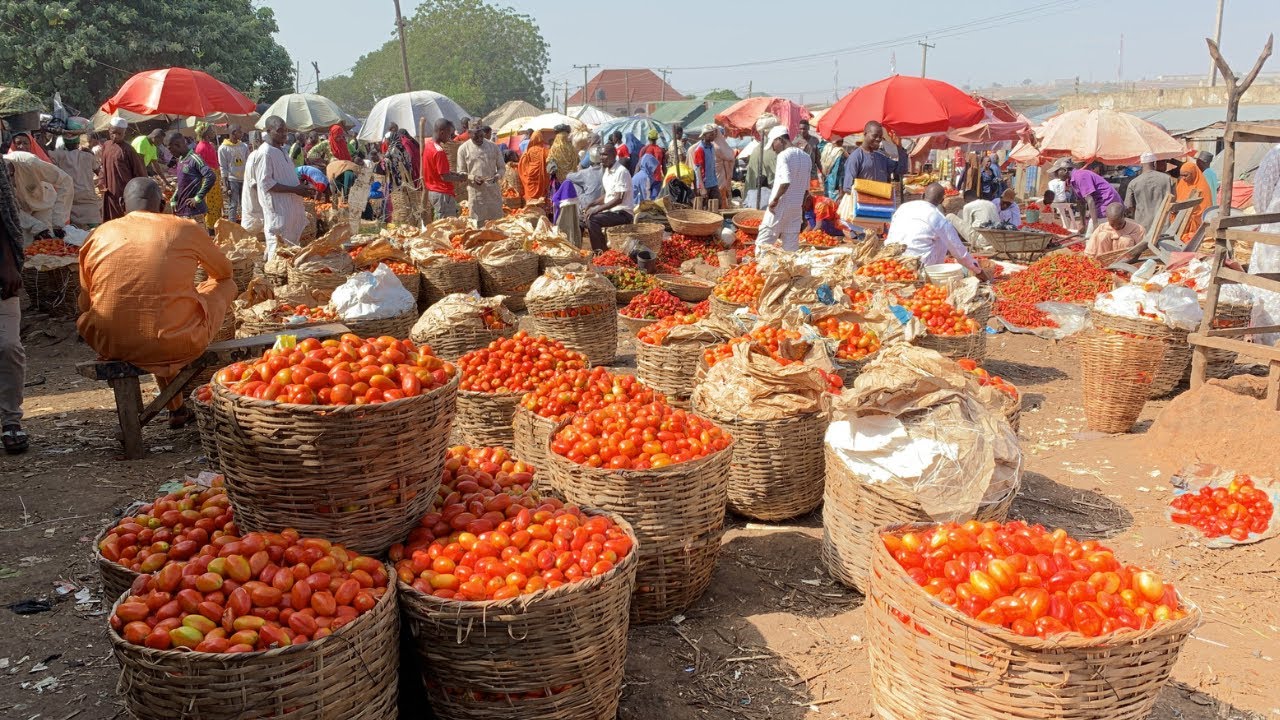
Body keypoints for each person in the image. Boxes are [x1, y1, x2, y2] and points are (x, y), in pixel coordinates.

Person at [77, 177, 237, 428]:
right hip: (177, 340)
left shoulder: (98, 234)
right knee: (224, 287)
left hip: (111, 342)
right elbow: (224, 272)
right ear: (163, 204)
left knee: (152, 313)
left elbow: (85, 303)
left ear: (121, 204)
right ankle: (176, 405)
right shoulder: (184, 227)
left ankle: (177, 409)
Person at [887, 183, 989, 279]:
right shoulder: (938, 217)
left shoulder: (903, 207)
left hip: (891, 262)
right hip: (919, 266)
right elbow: (959, 251)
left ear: (922, 196)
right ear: (942, 201)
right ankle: (932, 272)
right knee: (943, 238)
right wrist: (978, 271)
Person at [246, 116, 315, 259]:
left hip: (289, 208)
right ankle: (273, 276)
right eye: (280, 131)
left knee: (288, 247)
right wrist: (296, 190)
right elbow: (266, 183)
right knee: (276, 246)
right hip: (278, 209)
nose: (284, 134)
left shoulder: (282, 150)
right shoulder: (265, 153)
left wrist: (300, 187)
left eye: (286, 130)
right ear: (268, 131)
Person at [0, 144, 28, 453]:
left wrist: (8, 263)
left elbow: (4, 215)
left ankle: (11, 420)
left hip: (2, 271)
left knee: (8, 346)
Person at [756, 126, 812, 253]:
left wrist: (775, 200)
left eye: (773, 144)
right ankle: (789, 272)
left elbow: (785, 181)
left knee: (763, 244)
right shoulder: (806, 157)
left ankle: (762, 270)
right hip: (795, 207)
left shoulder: (783, 155)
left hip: (780, 206)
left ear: (780, 140)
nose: (773, 148)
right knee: (790, 248)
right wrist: (801, 208)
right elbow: (806, 189)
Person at [1247, 145, 1280, 345]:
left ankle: (1270, 343)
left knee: (1269, 291)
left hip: (1275, 235)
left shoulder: (1277, 152)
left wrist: (1265, 220)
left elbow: (1262, 195)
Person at [4, 150, 73, 244]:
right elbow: (10, 207)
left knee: (48, 242)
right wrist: (35, 226)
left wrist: (57, 220)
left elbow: (65, 181)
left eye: (10, 175)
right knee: (25, 246)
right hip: (22, 212)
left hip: (43, 204)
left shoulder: (29, 162)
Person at [583, 146, 634, 253]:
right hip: (611, 211)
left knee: (593, 219)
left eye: (605, 154)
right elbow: (608, 195)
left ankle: (600, 252)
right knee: (582, 219)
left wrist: (597, 209)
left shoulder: (621, 172)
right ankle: (592, 249)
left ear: (614, 156)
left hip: (623, 213)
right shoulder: (607, 171)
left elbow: (619, 199)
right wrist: (591, 204)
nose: (601, 157)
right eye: (601, 154)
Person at [840, 121, 908, 199]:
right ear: (865, 134)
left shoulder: (882, 158)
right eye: (875, 136)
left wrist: (899, 147)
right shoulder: (855, 157)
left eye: (880, 136)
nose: (878, 139)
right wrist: (871, 193)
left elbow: (902, 170)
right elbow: (848, 188)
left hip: (882, 206)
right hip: (863, 207)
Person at [47, 132, 101, 228]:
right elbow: (99, 172)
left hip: (70, 198)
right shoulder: (88, 156)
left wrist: (53, 135)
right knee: (94, 229)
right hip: (88, 198)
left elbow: (45, 151)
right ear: (78, 142)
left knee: (72, 232)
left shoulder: (58, 155)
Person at [99, 118, 147, 222]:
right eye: (113, 133)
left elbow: (140, 173)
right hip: (109, 192)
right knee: (110, 221)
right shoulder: (106, 145)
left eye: (119, 134)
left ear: (124, 133)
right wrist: (101, 181)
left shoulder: (128, 150)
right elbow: (103, 166)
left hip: (125, 193)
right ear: (109, 130)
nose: (116, 136)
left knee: (123, 220)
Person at [457, 125, 505, 225]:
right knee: (478, 225)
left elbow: (502, 168)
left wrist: (497, 176)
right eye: (475, 137)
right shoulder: (463, 149)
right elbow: (461, 172)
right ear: (469, 134)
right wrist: (472, 177)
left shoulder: (493, 147)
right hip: (476, 194)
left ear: (483, 133)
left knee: (497, 224)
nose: (479, 139)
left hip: (493, 192)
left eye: (481, 136)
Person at [1055, 160, 1121, 231]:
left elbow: (1090, 200)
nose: (1055, 175)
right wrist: (1083, 224)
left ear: (1065, 170)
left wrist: (1095, 225)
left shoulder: (1080, 176)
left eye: (1056, 172)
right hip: (1100, 203)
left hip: (1107, 202)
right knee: (1091, 233)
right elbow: (1081, 202)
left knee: (1092, 235)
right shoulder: (1072, 180)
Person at [421, 119, 466, 220]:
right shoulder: (439, 151)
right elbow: (444, 176)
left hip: (433, 191)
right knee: (447, 226)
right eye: (449, 134)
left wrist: (455, 174)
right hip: (442, 193)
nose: (450, 138)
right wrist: (461, 178)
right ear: (442, 132)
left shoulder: (429, 145)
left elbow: (438, 171)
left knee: (440, 224)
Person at [167, 132, 216, 226]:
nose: (170, 152)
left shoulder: (194, 159)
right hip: (183, 210)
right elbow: (183, 183)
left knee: (200, 240)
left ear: (178, 145)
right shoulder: (181, 159)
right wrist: (174, 198)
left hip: (195, 212)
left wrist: (198, 198)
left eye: (170, 149)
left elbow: (211, 176)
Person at [1123, 152, 1174, 233]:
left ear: (1141, 164)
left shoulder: (1134, 183)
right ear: (1154, 163)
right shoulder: (1167, 179)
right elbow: (1173, 201)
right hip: (1163, 225)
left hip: (1143, 226)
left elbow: (1129, 206)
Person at [193, 124, 222, 230]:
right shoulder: (201, 147)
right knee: (210, 203)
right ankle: (211, 228)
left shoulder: (209, 145)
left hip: (214, 176)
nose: (213, 131)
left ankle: (216, 225)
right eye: (211, 130)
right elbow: (199, 166)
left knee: (216, 203)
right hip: (208, 178)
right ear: (205, 133)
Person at [218, 126, 250, 224]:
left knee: (245, 204)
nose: (242, 134)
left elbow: (248, 162)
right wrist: (225, 185)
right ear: (234, 133)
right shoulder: (223, 148)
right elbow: (223, 167)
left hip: (244, 179)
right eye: (240, 132)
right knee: (233, 204)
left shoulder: (244, 146)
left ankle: (246, 225)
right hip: (232, 180)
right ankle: (232, 226)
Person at [1175, 159, 1212, 243]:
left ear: (1193, 173)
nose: (1183, 178)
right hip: (1180, 223)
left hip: (1195, 224)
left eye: (1186, 175)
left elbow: (1204, 208)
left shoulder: (1202, 187)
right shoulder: (1181, 184)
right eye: (1181, 175)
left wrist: (1189, 214)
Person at [517, 130, 551, 209]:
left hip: (530, 176)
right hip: (542, 177)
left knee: (530, 195)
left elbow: (522, 164)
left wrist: (525, 174)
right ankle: (541, 212)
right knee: (541, 196)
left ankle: (530, 210)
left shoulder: (528, 151)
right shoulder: (545, 151)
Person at [691, 125, 720, 201]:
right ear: (704, 135)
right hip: (705, 184)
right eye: (711, 135)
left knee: (717, 205)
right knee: (705, 209)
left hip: (713, 183)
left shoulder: (712, 147)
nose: (713, 136)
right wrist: (702, 188)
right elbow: (698, 170)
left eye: (713, 134)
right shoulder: (700, 150)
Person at [713, 126, 735, 206]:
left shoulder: (714, 146)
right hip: (719, 175)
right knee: (721, 196)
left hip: (718, 175)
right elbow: (730, 157)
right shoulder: (717, 146)